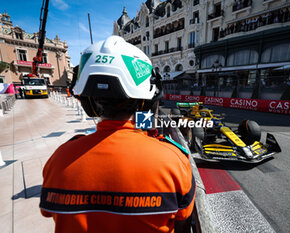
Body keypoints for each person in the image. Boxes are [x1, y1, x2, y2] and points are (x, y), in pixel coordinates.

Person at [39, 36, 196, 233]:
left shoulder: (59, 159)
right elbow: (183, 219)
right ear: (147, 102)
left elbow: (48, 213)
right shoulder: (174, 160)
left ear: (88, 102)